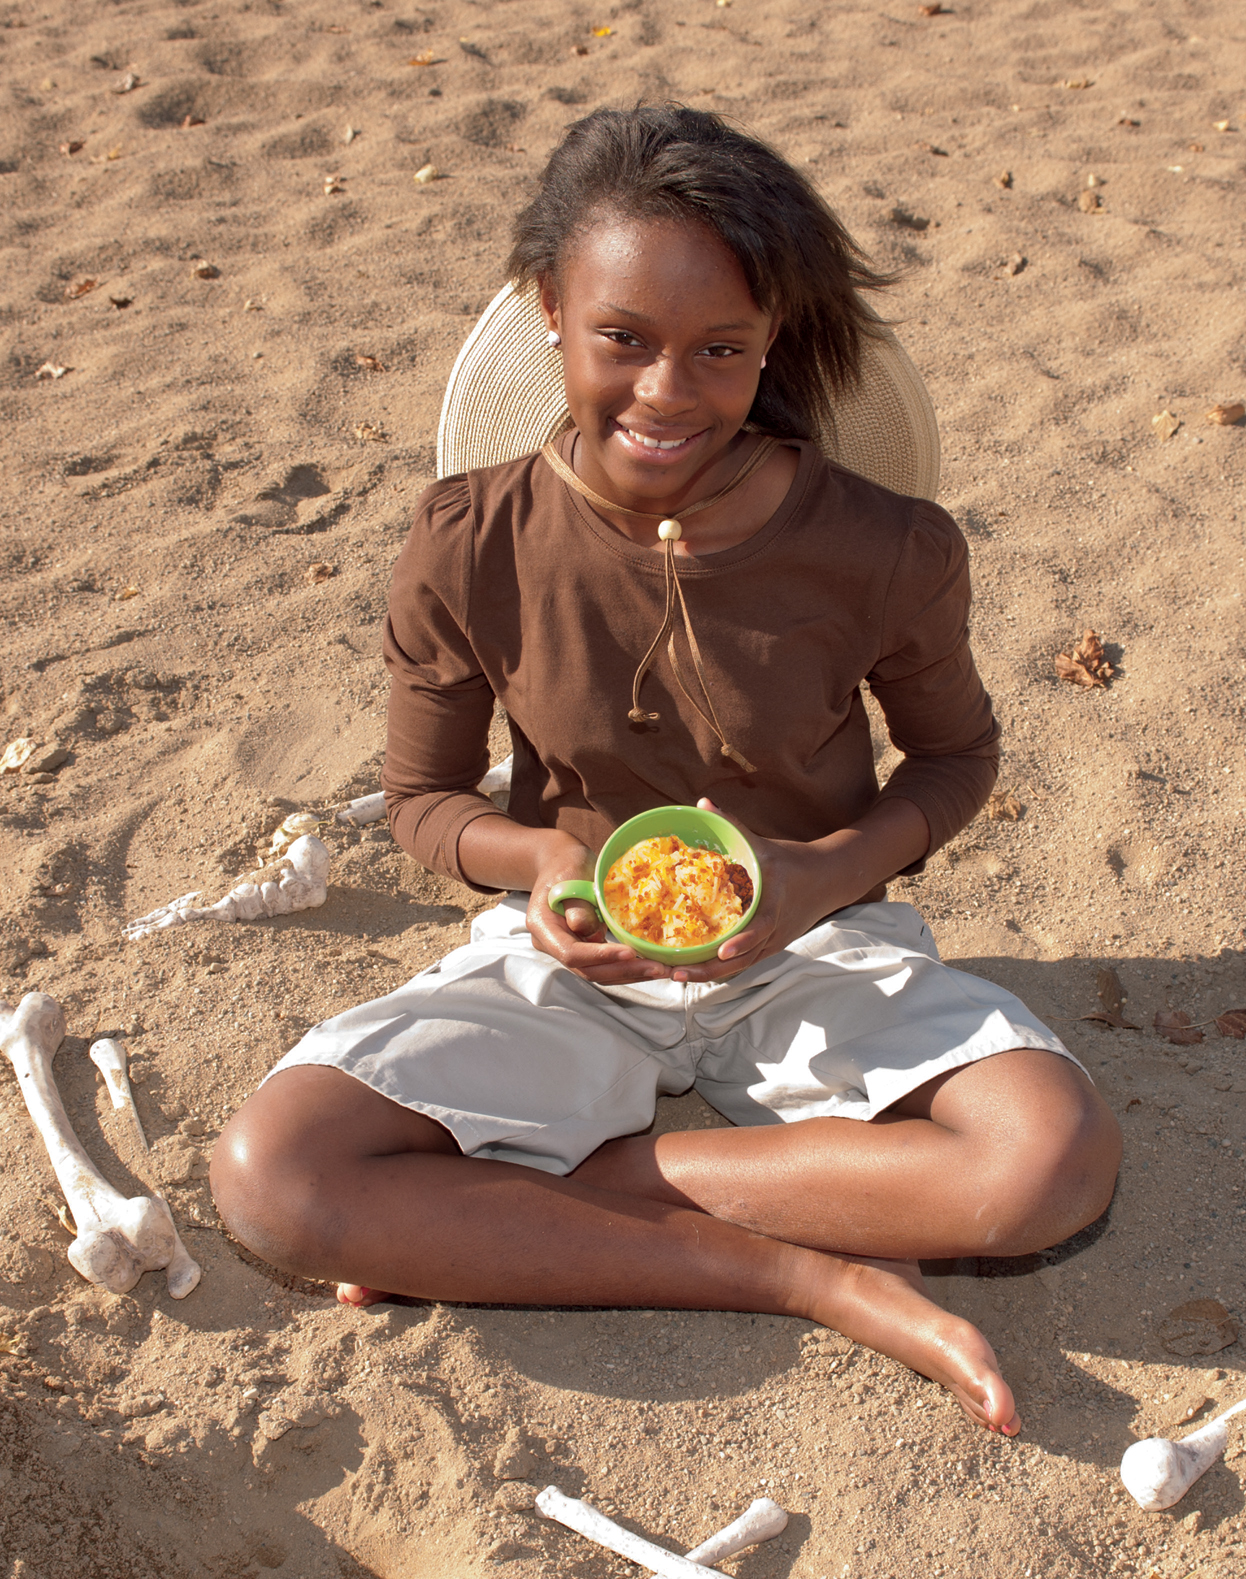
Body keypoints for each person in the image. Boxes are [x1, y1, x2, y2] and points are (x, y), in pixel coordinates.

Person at [211, 104, 1121, 1437]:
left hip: (812, 944)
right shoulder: (468, 537)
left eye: (722, 352)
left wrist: (819, 876)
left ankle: (573, 1187)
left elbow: (951, 757)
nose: (665, 395)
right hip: (566, 960)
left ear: (774, 345)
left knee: (1048, 1166)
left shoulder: (887, 545)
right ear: (548, 311)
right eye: (621, 340)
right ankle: (801, 1270)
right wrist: (539, 862)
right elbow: (422, 802)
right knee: (273, 1179)